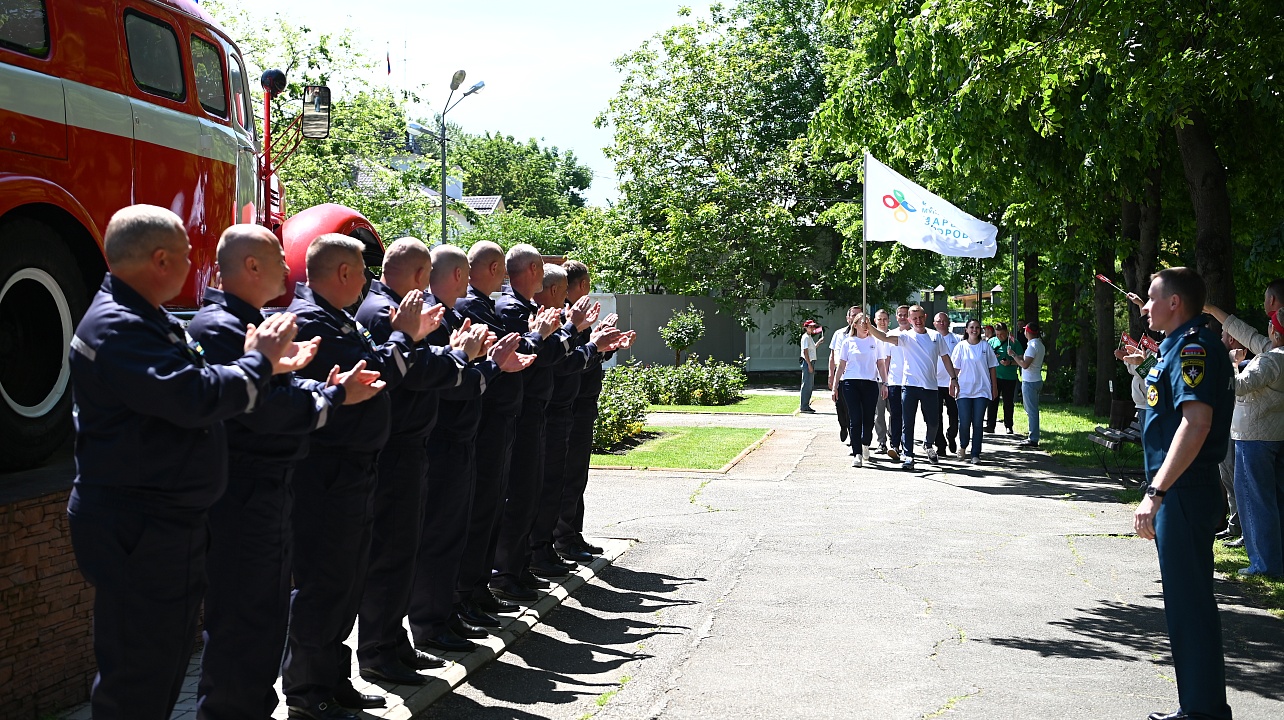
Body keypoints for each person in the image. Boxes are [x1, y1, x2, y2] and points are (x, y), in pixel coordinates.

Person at [67, 205, 305, 719]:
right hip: (138, 525)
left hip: (159, 522)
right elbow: (193, 396)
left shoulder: (143, 317)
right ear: (159, 260)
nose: (194, 264)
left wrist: (262, 366)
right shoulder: (119, 325)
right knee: (138, 677)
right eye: (185, 254)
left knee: (163, 663)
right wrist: (258, 362)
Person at [191, 225, 383, 720]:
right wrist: (331, 396)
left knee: (266, 620)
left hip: (270, 489)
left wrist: (311, 387)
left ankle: (296, 692)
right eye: (278, 257)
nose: (287, 267)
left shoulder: (254, 322)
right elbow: (261, 410)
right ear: (251, 265)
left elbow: (280, 397)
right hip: (244, 491)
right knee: (243, 625)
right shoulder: (221, 328)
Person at [282, 234, 439, 720]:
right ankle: (309, 691)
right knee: (323, 584)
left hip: (354, 469)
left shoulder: (339, 317)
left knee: (345, 583)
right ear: (344, 273)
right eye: (362, 271)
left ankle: (333, 677)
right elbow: (374, 375)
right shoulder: (311, 322)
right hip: (327, 472)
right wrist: (403, 338)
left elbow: (373, 372)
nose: (368, 281)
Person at [354, 238, 506, 688]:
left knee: (417, 545)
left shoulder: (400, 308)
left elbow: (428, 364)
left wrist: (462, 358)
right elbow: (418, 371)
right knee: (397, 552)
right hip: (401, 445)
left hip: (418, 443)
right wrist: (463, 358)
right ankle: (387, 645)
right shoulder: (386, 313)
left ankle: (401, 637)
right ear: (422, 275)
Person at [405, 244, 535, 660]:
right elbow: (444, 376)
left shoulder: (454, 313)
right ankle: (436, 617)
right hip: (445, 438)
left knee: (469, 523)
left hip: (466, 433)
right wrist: (489, 362)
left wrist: (490, 362)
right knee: (442, 533)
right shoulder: (440, 315)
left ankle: (458, 603)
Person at [1134, 267, 1232, 720]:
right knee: (1187, 605)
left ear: (1176, 303)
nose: (1145, 306)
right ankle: (1199, 706)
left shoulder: (1193, 348)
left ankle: (1202, 712)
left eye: (1153, 298)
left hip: (1184, 492)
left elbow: (1196, 424)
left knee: (1189, 607)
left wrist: (1155, 492)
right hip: (1184, 491)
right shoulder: (1178, 347)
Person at [490, 246, 597, 603]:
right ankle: (508, 571)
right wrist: (576, 331)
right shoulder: (511, 309)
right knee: (521, 495)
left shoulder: (530, 311)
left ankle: (521, 565)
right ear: (534, 269)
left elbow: (552, 354)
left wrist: (589, 340)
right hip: (526, 412)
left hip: (540, 410)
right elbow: (543, 356)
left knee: (535, 491)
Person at [553, 265, 636, 562]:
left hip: (584, 401)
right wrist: (596, 346)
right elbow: (570, 363)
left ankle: (573, 534)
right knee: (568, 475)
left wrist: (608, 346)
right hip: (572, 403)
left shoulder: (579, 318)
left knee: (577, 475)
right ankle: (563, 538)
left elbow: (590, 355)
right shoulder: (565, 318)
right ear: (581, 283)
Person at [868, 305, 959, 470]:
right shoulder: (905, 337)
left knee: (933, 422)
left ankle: (928, 444)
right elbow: (884, 337)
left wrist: (953, 378)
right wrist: (868, 326)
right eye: (914, 318)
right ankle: (908, 455)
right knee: (907, 422)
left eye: (920, 317)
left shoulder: (935, 336)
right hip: (909, 386)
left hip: (931, 386)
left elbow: (946, 358)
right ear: (909, 320)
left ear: (925, 317)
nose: (918, 321)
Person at [1230, 308, 1284, 578]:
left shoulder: (1271, 359)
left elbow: (1237, 386)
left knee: (1253, 501)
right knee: (1274, 501)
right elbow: (1250, 336)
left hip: (1254, 436)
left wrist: (1231, 363)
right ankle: (1276, 559)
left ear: (1274, 332)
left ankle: (1263, 564)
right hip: (1275, 435)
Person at [831, 312, 888, 467]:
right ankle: (857, 453)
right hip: (851, 383)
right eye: (861, 322)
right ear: (854, 325)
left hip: (870, 383)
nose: (865, 325)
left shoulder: (876, 342)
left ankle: (865, 443)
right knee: (855, 418)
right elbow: (841, 365)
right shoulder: (848, 342)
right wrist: (835, 386)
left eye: (867, 322)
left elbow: (881, 364)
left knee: (868, 418)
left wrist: (885, 383)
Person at [951, 319, 998, 464]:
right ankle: (963, 445)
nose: (974, 330)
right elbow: (956, 368)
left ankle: (975, 453)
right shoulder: (961, 346)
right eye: (971, 327)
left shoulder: (985, 346)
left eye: (977, 328)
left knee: (977, 422)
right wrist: (952, 382)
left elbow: (992, 368)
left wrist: (994, 387)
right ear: (966, 330)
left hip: (982, 390)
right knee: (964, 421)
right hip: (964, 389)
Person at [1008, 321, 1046, 449]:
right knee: (1032, 409)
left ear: (1028, 332)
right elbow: (1025, 361)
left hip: (1030, 381)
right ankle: (1033, 436)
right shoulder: (1039, 344)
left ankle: (1033, 438)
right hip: (1036, 379)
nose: (1023, 331)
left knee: (1031, 411)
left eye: (1025, 330)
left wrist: (1013, 355)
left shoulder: (1032, 346)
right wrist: (1015, 360)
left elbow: (1025, 364)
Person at [882, 305, 912, 461]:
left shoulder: (915, 335)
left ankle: (907, 446)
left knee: (908, 416)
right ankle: (895, 445)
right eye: (899, 315)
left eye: (905, 315)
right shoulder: (890, 335)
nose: (902, 317)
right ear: (896, 317)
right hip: (894, 381)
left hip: (911, 382)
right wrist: (885, 382)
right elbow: (886, 360)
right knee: (895, 414)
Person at [828, 307, 859, 442]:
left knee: (854, 407)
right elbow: (832, 355)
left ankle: (854, 437)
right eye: (853, 315)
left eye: (859, 315)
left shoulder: (865, 334)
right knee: (840, 406)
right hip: (840, 375)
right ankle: (843, 426)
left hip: (855, 376)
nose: (856, 317)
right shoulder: (839, 334)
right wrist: (831, 375)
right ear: (848, 318)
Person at [932, 312, 961, 456]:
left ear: (948, 322)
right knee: (936, 415)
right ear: (934, 323)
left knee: (954, 414)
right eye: (939, 321)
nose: (942, 323)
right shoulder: (931, 339)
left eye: (944, 320)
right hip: (934, 383)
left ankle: (951, 434)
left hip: (952, 382)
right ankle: (940, 445)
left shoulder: (956, 339)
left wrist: (955, 378)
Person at [986, 322, 1019, 434]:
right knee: (992, 400)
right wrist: (992, 357)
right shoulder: (991, 342)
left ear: (1007, 332)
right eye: (998, 334)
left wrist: (1010, 362)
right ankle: (990, 425)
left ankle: (1008, 425)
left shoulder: (1014, 342)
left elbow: (1021, 360)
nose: (1000, 337)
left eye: (1003, 335)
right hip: (995, 376)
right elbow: (984, 357)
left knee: (1008, 402)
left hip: (1009, 377)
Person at [799, 319, 823, 413]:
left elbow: (811, 348)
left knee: (809, 384)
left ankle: (806, 405)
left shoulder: (809, 337)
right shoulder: (805, 337)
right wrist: (809, 365)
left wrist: (818, 343)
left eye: (813, 326)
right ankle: (804, 406)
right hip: (807, 362)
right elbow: (805, 352)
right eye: (810, 327)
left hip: (810, 362)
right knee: (807, 384)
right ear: (806, 328)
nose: (813, 328)